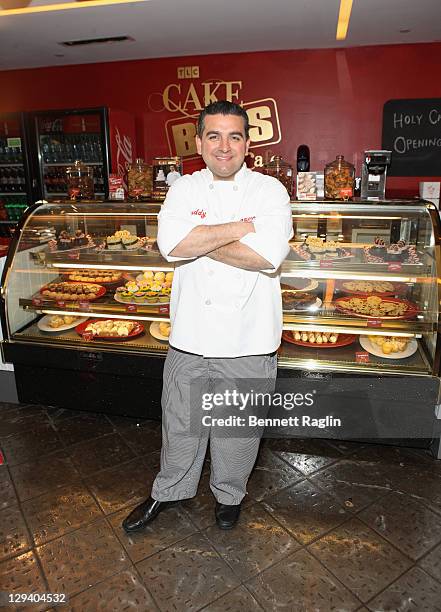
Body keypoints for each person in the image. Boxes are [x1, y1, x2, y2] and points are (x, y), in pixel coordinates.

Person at [122, 100, 292, 533]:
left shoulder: (269, 191)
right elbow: (172, 246)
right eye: (213, 136)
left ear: (247, 143)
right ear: (199, 142)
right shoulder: (184, 188)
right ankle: (170, 491)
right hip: (191, 334)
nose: (224, 146)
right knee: (180, 424)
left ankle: (229, 495)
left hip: (249, 339)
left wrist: (198, 238)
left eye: (234, 136)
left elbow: (265, 258)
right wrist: (241, 227)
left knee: (238, 433)